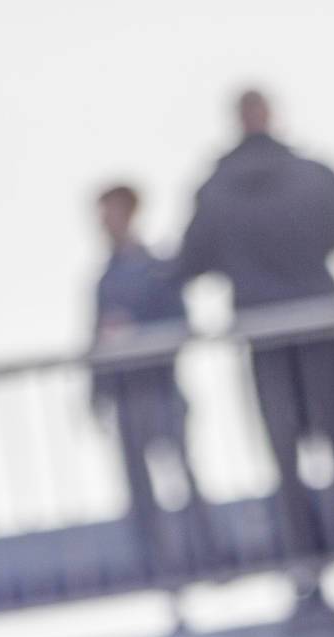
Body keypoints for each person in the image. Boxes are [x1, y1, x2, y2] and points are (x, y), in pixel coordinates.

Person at [178, 90, 334, 580]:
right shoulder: (312, 174)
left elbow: (190, 262)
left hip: (264, 339)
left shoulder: (215, 188)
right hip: (322, 325)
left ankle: (307, 566)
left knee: (284, 459)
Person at [90, 184, 202, 583]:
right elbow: (95, 340)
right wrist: (97, 395)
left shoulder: (157, 268)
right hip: (125, 395)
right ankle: (157, 567)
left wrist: (138, 337)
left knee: (182, 475)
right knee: (140, 489)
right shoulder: (105, 277)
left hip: (160, 387)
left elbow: (181, 323)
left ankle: (205, 554)